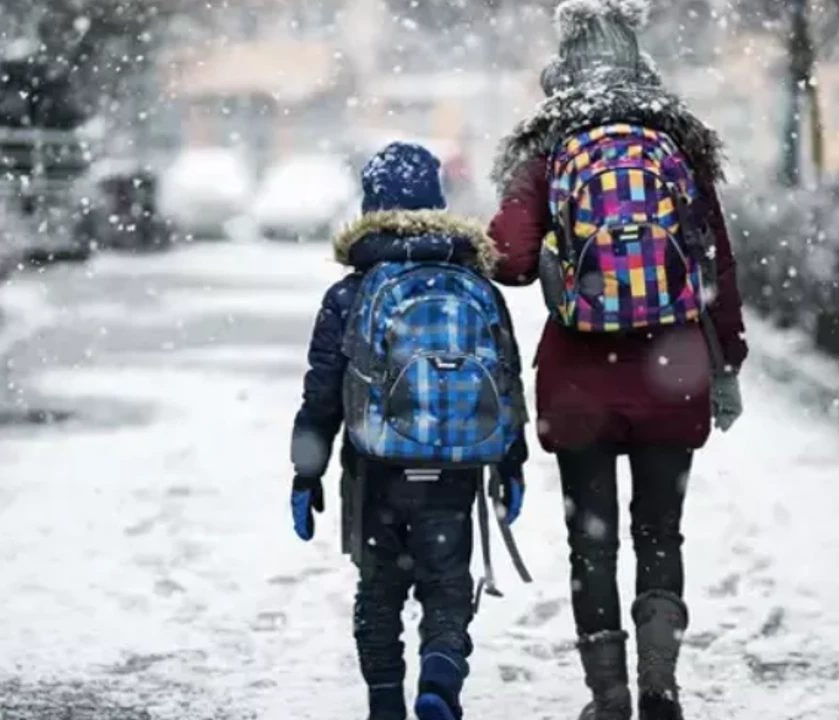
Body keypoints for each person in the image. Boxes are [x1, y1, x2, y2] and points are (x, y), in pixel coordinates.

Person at [487, 2, 748, 719]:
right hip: (675, 370)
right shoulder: (677, 146)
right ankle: (661, 689)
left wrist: (549, 256)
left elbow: (506, 260)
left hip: (580, 382)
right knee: (660, 533)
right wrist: (727, 363)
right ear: (638, 59)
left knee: (591, 543)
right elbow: (717, 264)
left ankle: (608, 699)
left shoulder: (547, 151)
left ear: (563, 66)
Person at [290, 142, 528, 720]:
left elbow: (322, 392)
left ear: (371, 205)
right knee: (447, 584)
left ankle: (384, 706)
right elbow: (506, 379)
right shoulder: (474, 283)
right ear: (438, 203)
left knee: (379, 592)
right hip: (455, 468)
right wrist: (511, 463)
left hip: (376, 469)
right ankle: (441, 678)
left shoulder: (350, 292)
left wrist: (306, 472)